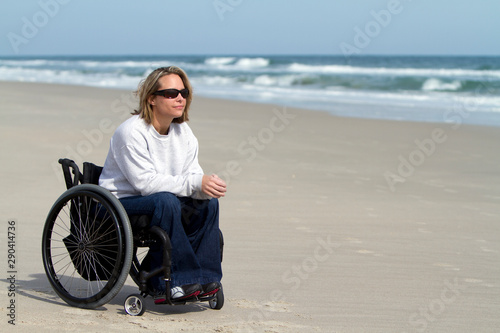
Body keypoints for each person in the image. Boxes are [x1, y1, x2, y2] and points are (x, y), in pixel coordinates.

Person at [99, 66, 227, 303]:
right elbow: (146, 184)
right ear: (151, 99)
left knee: (208, 204)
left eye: (183, 92)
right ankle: (176, 280)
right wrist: (195, 182)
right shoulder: (131, 133)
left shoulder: (184, 132)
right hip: (119, 203)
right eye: (170, 93)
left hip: (162, 201)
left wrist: (205, 186)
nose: (180, 98)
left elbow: (191, 174)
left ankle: (207, 279)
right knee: (166, 201)